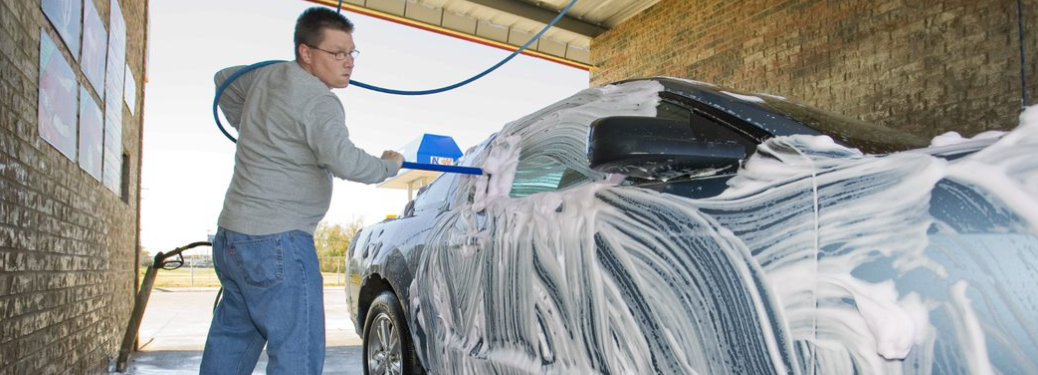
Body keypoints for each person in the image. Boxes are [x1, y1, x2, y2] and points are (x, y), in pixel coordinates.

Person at [200, 7, 403, 375]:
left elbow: (224, 80)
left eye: (351, 52)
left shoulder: (267, 76)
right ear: (306, 52)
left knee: (233, 340)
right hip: (279, 243)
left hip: (233, 238)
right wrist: (389, 164)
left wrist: (258, 128)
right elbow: (347, 162)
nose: (348, 62)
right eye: (336, 53)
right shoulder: (319, 100)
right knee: (297, 353)